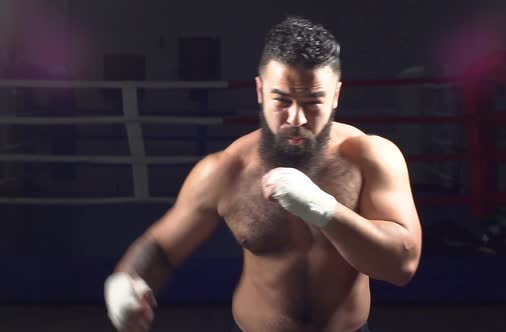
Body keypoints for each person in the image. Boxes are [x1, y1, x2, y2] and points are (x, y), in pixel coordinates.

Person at [104, 16, 423, 332]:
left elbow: (402, 266)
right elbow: (160, 247)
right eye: (282, 100)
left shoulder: (371, 158)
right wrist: (125, 280)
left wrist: (324, 210)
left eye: (313, 102)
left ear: (336, 96)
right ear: (260, 90)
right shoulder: (226, 171)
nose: (296, 118)